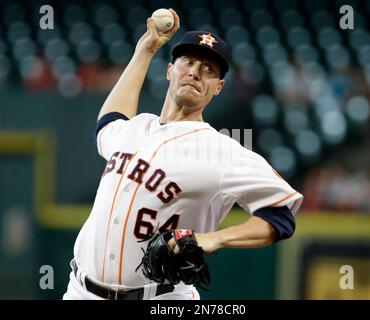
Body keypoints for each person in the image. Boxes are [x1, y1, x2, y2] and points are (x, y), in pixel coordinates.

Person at [63, 9, 303, 300]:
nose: (194, 72)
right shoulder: (134, 128)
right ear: (169, 70)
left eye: (208, 69)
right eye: (188, 61)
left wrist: (212, 239)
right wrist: (145, 50)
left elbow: (280, 216)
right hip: (80, 291)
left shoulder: (223, 151)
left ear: (218, 87)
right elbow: (108, 122)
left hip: (161, 298)